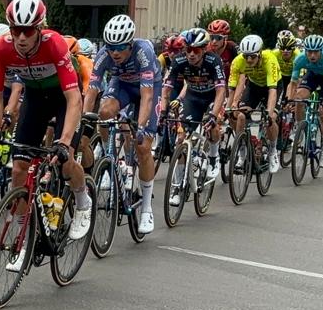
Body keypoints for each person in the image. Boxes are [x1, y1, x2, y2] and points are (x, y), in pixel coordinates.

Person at [0, 0, 92, 247]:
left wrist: (64, 142)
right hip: (35, 97)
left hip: (64, 97)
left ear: (40, 29)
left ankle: (83, 200)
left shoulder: (54, 44)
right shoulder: (1, 49)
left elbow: (74, 98)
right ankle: (24, 232)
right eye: (16, 30)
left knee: (66, 163)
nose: (22, 37)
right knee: (19, 166)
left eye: (28, 30)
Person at [91, 13, 163, 233]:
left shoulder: (144, 52)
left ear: (130, 44)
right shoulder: (104, 55)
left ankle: (147, 209)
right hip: (122, 85)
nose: (114, 52)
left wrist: (141, 128)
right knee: (103, 112)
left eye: (120, 47)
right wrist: (83, 121)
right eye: (110, 46)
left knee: (142, 147)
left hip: (147, 89)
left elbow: (147, 95)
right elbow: (91, 91)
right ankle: (109, 157)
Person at [161, 27, 227, 193]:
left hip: (212, 97)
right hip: (193, 97)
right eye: (188, 49)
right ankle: (177, 187)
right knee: (180, 139)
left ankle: (213, 157)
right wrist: (162, 111)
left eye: (196, 50)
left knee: (213, 125)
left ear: (204, 50)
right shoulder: (179, 60)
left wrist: (213, 115)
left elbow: (221, 91)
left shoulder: (214, 61)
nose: (191, 54)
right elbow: (167, 88)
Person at [228, 34, 282, 173]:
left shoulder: (269, 60)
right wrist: (230, 107)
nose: (249, 59)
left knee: (271, 119)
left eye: (252, 56)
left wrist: (270, 113)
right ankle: (242, 153)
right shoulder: (238, 61)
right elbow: (232, 88)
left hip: (272, 87)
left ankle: (272, 151)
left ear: (260, 54)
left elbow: (272, 91)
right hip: (254, 86)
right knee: (238, 115)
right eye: (246, 56)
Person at [289, 34, 323, 166]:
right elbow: (294, 83)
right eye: (309, 52)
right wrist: (290, 100)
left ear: (321, 51)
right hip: (312, 75)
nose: (312, 55)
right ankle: (299, 128)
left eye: (315, 52)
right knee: (299, 99)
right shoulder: (299, 59)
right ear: (305, 50)